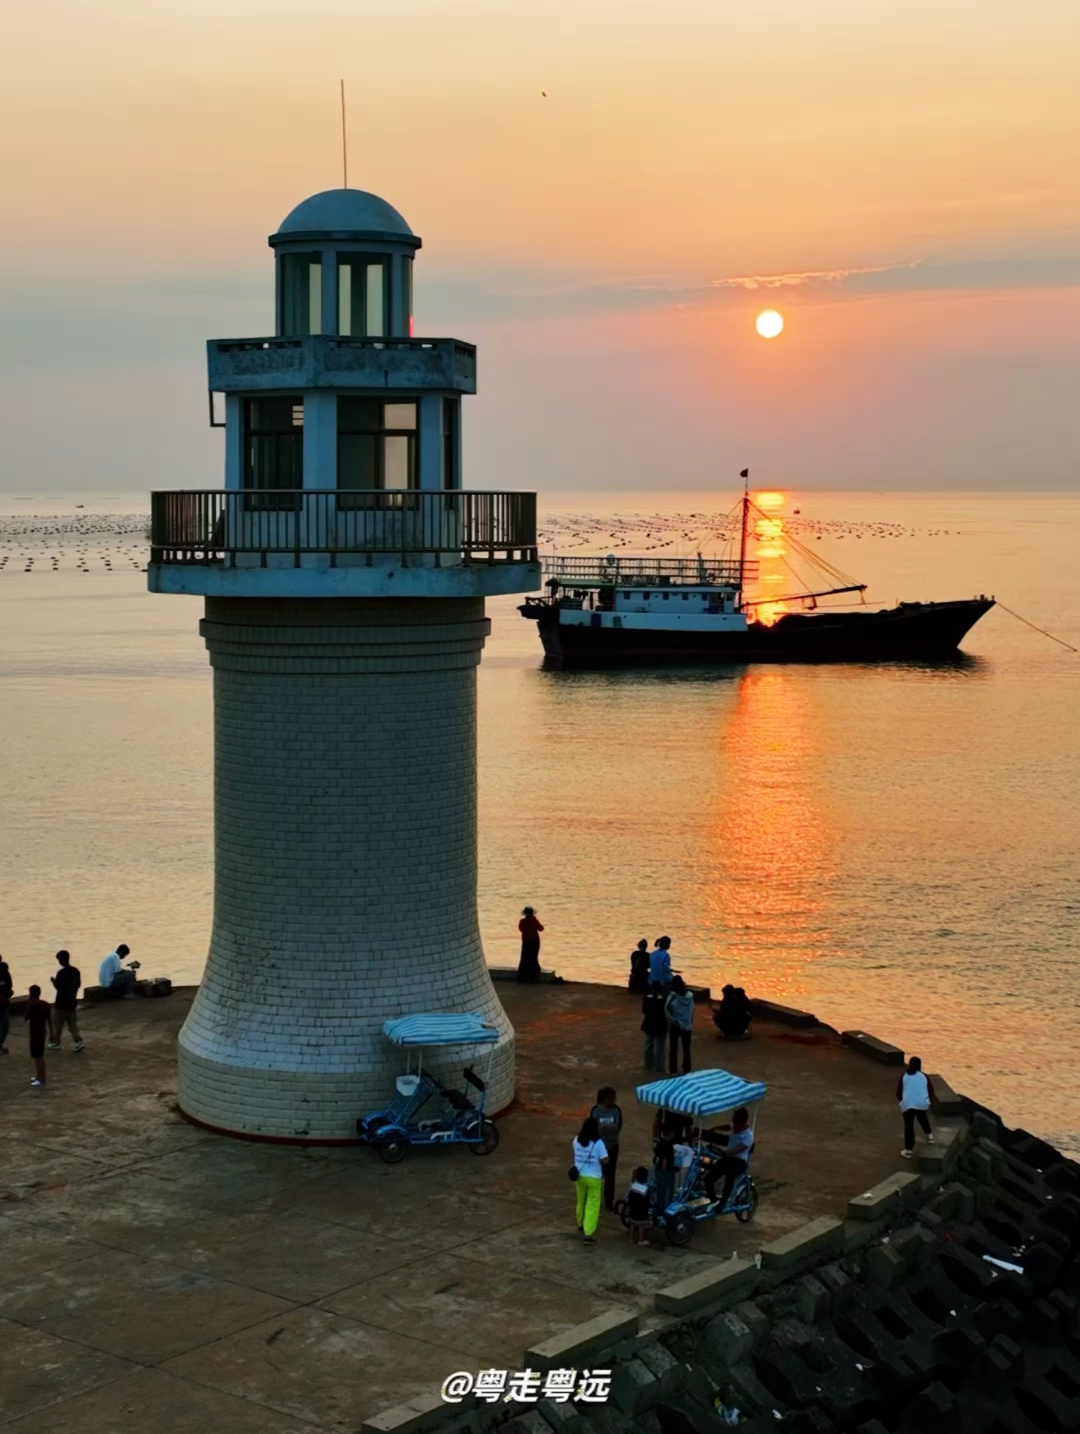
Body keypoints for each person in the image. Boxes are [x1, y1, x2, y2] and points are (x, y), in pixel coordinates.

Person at [703, 1107, 754, 1207]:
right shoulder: (735, 1126)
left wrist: (725, 1153)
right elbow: (727, 1126)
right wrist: (715, 1128)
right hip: (727, 1159)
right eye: (733, 1120)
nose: (733, 1124)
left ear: (742, 1122)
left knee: (730, 1176)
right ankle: (714, 1201)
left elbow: (738, 1149)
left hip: (740, 1161)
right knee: (708, 1178)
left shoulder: (748, 1136)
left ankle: (723, 1202)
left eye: (735, 1121)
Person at [571, 1115, 608, 1244]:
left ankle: (580, 1223)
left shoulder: (576, 1140)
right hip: (594, 1178)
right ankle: (588, 1234)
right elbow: (605, 1160)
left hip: (579, 1176)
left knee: (581, 1200)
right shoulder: (598, 1143)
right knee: (592, 1205)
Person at [591, 1087, 623, 1210]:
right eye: (611, 1098)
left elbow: (618, 1127)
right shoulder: (596, 1110)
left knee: (610, 1175)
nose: (614, 1100)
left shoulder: (616, 1110)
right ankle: (594, 1200)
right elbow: (593, 1128)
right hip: (598, 1148)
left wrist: (606, 1127)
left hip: (612, 1147)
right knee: (597, 1175)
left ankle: (609, 1202)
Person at [897, 1056, 936, 1159]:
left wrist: (903, 1100)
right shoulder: (924, 1076)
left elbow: (898, 1093)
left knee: (909, 1126)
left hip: (908, 1104)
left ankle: (908, 1151)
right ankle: (930, 1136)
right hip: (922, 1103)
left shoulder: (904, 1076)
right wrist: (927, 1101)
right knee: (922, 1116)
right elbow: (931, 1091)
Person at [49, 950, 84, 1052]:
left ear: (60, 960)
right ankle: (78, 1041)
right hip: (72, 1002)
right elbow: (78, 985)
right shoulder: (76, 971)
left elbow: (58, 987)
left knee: (58, 1024)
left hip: (60, 1002)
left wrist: (53, 982)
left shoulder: (61, 973)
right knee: (72, 1024)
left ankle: (56, 1043)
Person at [664, 975, 695, 1074]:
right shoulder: (690, 997)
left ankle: (673, 1069)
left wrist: (672, 1020)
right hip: (687, 1025)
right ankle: (687, 1068)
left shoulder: (672, 997)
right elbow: (692, 1009)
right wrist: (690, 1020)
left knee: (673, 1049)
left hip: (675, 1025)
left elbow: (666, 1009)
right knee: (686, 1049)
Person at [24, 984, 50, 1087]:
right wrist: (51, 1033)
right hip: (42, 1032)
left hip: (35, 1033)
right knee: (39, 1056)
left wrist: (28, 1004)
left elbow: (26, 1017)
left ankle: (41, 1078)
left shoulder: (32, 1005)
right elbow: (49, 1020)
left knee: (38, 1057)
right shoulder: (45, 1004)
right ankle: (39, 1076)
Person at [653, 1119, 677, 1217]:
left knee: (660, 1192)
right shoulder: (668, 1146)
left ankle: (659, 1210)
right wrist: (665, 1169)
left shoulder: (659, 1143)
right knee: (667, 1192)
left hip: (659, 1170)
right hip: (666, 1172)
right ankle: (664, 1212)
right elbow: (665, 1160)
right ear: (671, 1133)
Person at [641, 984, 668, 1071]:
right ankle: (658, 1066)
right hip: (660, 1025)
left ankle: (647, 1064)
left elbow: (644, 1011)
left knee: (648, 1045)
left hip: (649, 1024)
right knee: (660, 1047)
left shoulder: (646, 999)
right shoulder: (663, 1000)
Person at [626, 1166, 652, 1245]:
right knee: (641, 1227)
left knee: (632, 1225)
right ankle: (641, 1240)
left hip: (632, 1210)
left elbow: (629, 1197)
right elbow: (647, 1201)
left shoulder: (633, 1186)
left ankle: (631, 1239)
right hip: (641, 1213)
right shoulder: (645, 1189)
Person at [517, 908, 544, 983]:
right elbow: (541, 928)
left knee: (524, 958)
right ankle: (534, 976)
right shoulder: (534, 920)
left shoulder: (522, 921)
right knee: (534, 957)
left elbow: (521, 929)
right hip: (535, 941)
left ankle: (522, 976)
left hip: (526, 941)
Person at [0, 955, 12, 1055]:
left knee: (5, 1025)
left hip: (3, 1004)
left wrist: (5, 997)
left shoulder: (5, 972)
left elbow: (9, 986)